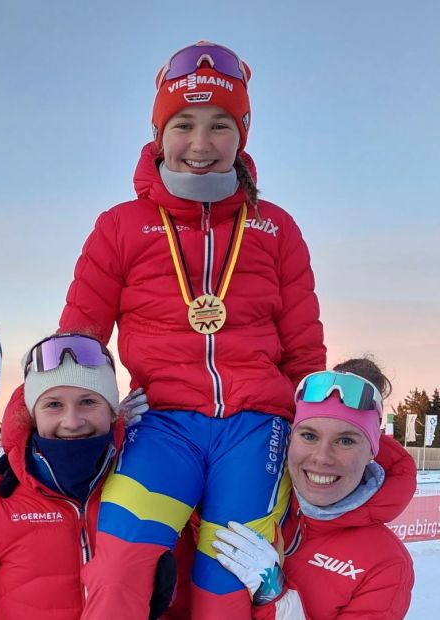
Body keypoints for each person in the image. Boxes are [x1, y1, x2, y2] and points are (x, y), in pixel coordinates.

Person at [59, 41, 326, 619]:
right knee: (118, 567)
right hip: (162, 426)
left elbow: (305, 351)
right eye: (183, 124)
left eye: (219, 125)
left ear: (243, 132)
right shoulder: (120, 226)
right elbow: (75, 349)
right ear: (159, 132)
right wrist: (28, 427)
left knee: (226, 579)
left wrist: (321, 432)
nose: (200, 144)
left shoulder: (276, 228)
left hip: (256, 431)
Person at [0, 333, 173, 620]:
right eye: (53, 404)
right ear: (33, 415)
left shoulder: (153, 488)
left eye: (88, 401)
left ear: (113, 412)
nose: (72, 421)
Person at [214, 357, 416, 619]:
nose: (322, 458)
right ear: (290, 439)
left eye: (345, 441)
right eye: (309, 436)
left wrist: (273, 595)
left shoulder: (386, 564)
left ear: (371, 452)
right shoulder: (249, 495)